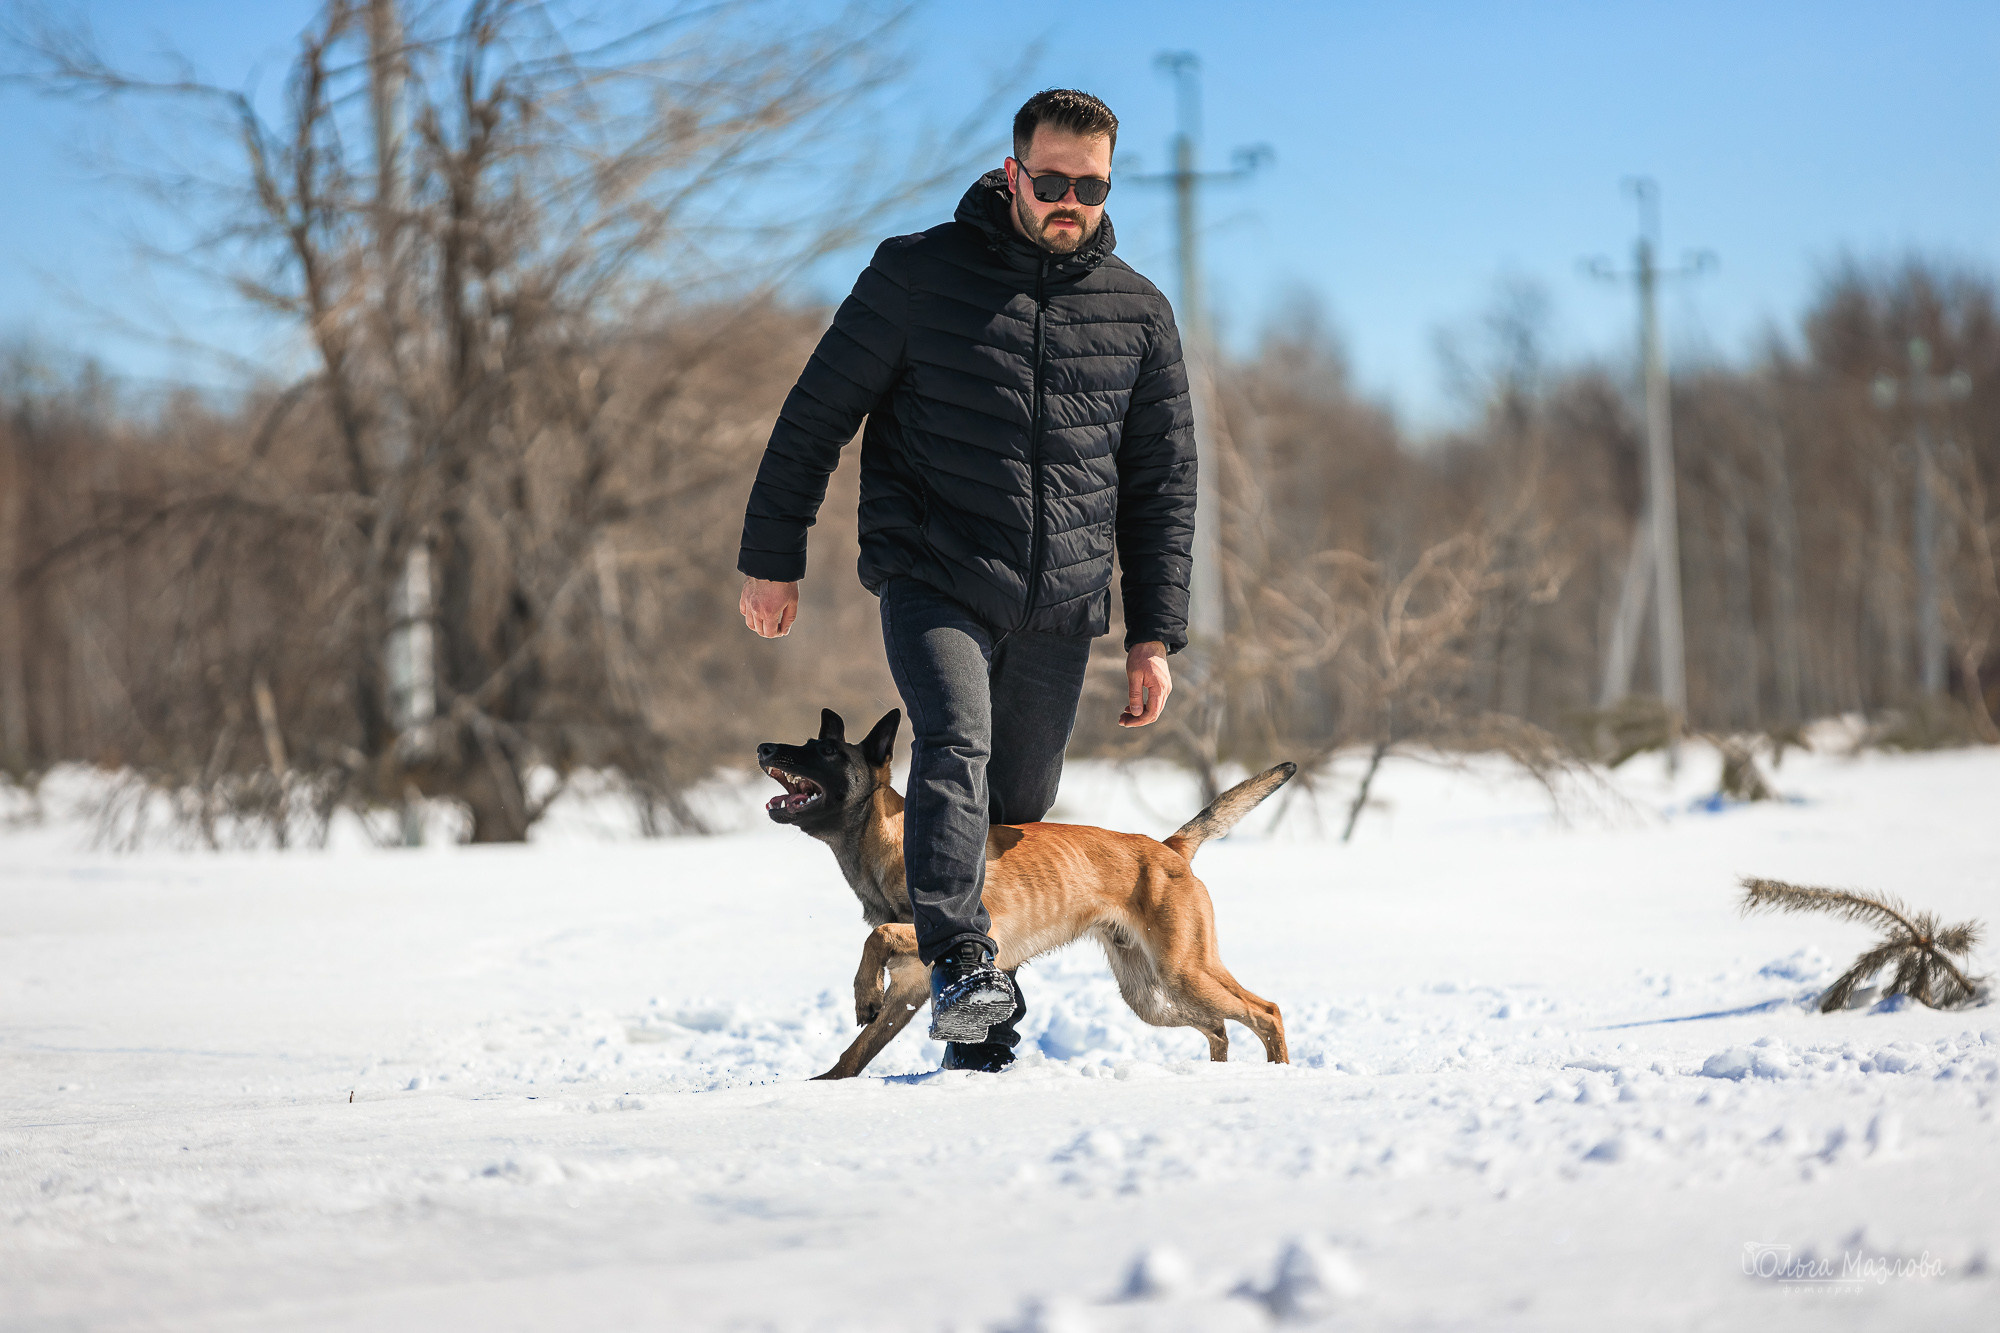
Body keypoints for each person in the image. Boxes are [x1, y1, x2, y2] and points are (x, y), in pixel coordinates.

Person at [736, 88, 1195, 1072]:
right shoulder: (916, 277)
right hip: (933, 572)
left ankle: (980, 1007)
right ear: (1011, 168)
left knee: (1017, 800)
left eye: (1090, 184)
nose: (1068, 199)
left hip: (1060, 604)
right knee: (954, 739)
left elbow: (1161, 485)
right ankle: (960, 969)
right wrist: (772, 554)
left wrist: (1154, 631)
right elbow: (814, 416)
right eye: (1050, 179)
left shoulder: (1137, 312)